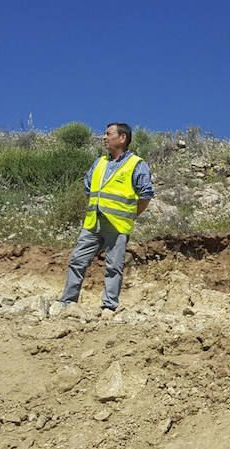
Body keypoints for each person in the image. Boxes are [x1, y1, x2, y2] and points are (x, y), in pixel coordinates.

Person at [58, 123, 154, 311]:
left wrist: (132, 215)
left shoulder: (137, 164)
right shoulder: (99, 162)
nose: (104, 137)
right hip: (93, 222)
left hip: (117, 226)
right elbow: (88, 187)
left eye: (108, 134)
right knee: (77, 260)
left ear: (122, 138)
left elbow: (146, 194)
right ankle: (67, 302)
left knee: (113, 267)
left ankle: (109, 307)